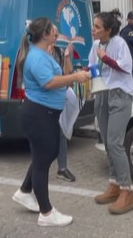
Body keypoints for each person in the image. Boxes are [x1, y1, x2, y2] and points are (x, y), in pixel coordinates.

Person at [11, 18, 90, 227]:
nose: (57, 32)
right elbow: (48, 83)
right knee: (42, 161)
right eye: (53, 29)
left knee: (46, 154)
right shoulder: (37, 57)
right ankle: (46, 213)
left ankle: (24, 191)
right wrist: (75, 77)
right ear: (45, 35)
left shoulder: (43, 53)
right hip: (39, 114)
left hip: (46, 114)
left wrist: (73, 72)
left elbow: (56, 76)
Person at [90, 10, 133, 214]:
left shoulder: (119, 43)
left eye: (97, 27)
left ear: (108, 30)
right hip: (102, 93)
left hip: (120, 94)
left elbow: (126, 67)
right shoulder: (95, 45)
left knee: (115, 143)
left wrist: (105, 58)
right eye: (94, 25)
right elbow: (92, 65)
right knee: (107, 142)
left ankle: (128, 191)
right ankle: (114, 184)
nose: (93, 29)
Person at [49, 44, 77, 183]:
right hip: (46, 99)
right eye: (52, 33)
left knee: (61, 133)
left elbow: (69, 73)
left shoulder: (59, 51)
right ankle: (37, 171)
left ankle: (62, 168)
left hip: (60, 96)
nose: (55, 36)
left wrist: (66, 57)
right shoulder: (39, 53)